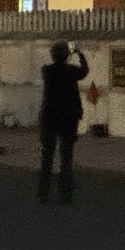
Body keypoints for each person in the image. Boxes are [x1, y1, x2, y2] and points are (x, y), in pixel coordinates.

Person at [38, 40, 89, 204]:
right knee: (66, 157)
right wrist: (79, 54)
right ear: (67, 56)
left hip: (49, 117)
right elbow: (84, 71)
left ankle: (43, 193)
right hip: (68, 118)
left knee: (47, 156)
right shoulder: (71, 71)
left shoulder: (47, 71)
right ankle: (65, 193)